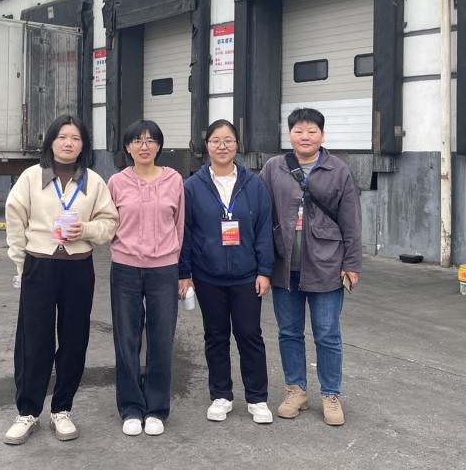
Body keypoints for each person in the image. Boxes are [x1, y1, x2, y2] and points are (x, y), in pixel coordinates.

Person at [3, 114, 118, 445]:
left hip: (78, 268)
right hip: (39, 265)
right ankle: (27, 412)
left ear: (84, 145)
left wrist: (88, 229)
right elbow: (15, 220)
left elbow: (110, 222)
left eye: (76, 138)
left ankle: (62, 409)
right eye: (62, 137)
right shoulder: (31, 177)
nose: (69, 143)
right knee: (34, 340)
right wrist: (20, 264)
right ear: (51, 141)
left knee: (74, 338)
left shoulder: (93, 181)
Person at [258, 107, 362, 426]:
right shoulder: (274, 168)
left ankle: (330, 394)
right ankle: (296, 390)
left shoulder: (338, 170)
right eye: (299, 131)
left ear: (322, 135)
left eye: (312, 131)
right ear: (289, 135)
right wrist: (261, 263)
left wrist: (352, 263)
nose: (305, 137)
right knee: (289, 332)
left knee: (327, 333)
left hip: (326, 265)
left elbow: (351, 220)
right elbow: (261, 215)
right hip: (284, 265)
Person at [179, 119, 275, 424]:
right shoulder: (192, 187)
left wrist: (265, 270)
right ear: (206, 146)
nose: (222, 146)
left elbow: (264, 230)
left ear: (237, 145)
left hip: (247, 275)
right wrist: (185, 273)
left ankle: (257, 398)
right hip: (208, 275)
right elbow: (185, 233)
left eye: (228, 140)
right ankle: (221, 395)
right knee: (216, 336)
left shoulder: (253, 184)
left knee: (250, 335)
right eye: (216, 141)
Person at [107, 120, 185, 437]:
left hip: (164, 268)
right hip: (125, 267)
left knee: (161, 338)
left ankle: (155, 408)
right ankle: (131, 407)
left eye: (151, 140)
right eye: (137, 140)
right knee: (126, 338)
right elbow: (108, 222)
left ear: (159, 146)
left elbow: (180, 225)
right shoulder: (116, 182)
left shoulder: (174, 180)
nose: (144, 146)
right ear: (127, 147)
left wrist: (180, 269)